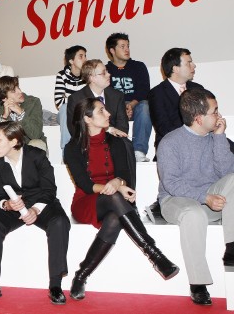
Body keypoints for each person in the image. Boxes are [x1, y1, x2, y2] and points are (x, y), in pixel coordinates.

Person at [63, 98, 179, 300]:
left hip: (115, 200)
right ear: (87, 119)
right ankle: (154, 254)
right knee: (115, 198)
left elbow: (125, 174)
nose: (108, 114)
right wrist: (114, 187)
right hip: (86, 200)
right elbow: (85, 185)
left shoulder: (116, 142)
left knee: (115, 218)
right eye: (101, 111)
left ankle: (81, 275)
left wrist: (118, 182)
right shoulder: (72, 148)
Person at [0, 122, 70, 304]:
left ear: (14, 141)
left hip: (42, 203)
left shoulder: (37, 156)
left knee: (59, 222)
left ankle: (55, 285)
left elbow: (49, 190)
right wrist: (7, 204)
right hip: (14, 206)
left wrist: (35, 209)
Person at [158, 88, 234, 306]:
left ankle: (232, 247)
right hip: (176, 200)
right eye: (214, 111)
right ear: (199, 118)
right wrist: (204, 197)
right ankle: (198, 283)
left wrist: (219, 137)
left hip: (210, 201)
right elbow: (172, 184)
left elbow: (227, 173)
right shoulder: (170, 142)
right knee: (193, 214)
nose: (219, 115)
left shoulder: (216, 139)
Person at [105, 33, 152, 162]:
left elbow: (144, 91)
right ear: (112, 50)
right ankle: (111, 152)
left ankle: (138, 151)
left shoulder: (138, 66)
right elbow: (106, 94)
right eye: (122, 46)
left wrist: (131, 105)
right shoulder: (106, 70)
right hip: (115, 108)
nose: (127, 49)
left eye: (128, 46)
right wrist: (121, 108)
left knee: (145, 106)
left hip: (135, 105)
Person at [148, 48, 203, 154]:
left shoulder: (198, 89)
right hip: (172, 147)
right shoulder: (157, 93)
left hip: (200, 144)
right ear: (175, 69)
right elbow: (163, 127)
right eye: (189, 63)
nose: (194, 65)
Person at [67, 59, 128, 138]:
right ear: (92, 78)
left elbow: (123, 126)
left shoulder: (117, 96)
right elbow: (76, 130)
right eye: (103, 73)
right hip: (89, 141)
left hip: (114, 140)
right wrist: (109, 129)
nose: (108, 74)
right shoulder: (76, 99)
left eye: (107, 71)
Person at [0, 76, 47, 152]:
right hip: (8, 146)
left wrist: (21, 113)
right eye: (13, 91)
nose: (20, 91)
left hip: (29, 144)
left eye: (18, 87)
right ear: (4, 98)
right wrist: (4, 117)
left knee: (37, 143)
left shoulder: (33, 102)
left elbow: (36, 134)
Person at [54, 45, 87, 151]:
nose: (85, 59)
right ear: (71, 61)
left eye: (85, 56)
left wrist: (70, 98)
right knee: (64, 108)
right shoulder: (62, 75)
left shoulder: (88, 76)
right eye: (81, 56)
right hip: (67, 113)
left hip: (84, 113)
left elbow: (90, 100)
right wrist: (79, 100)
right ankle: (66, 150)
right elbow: (59, 102)